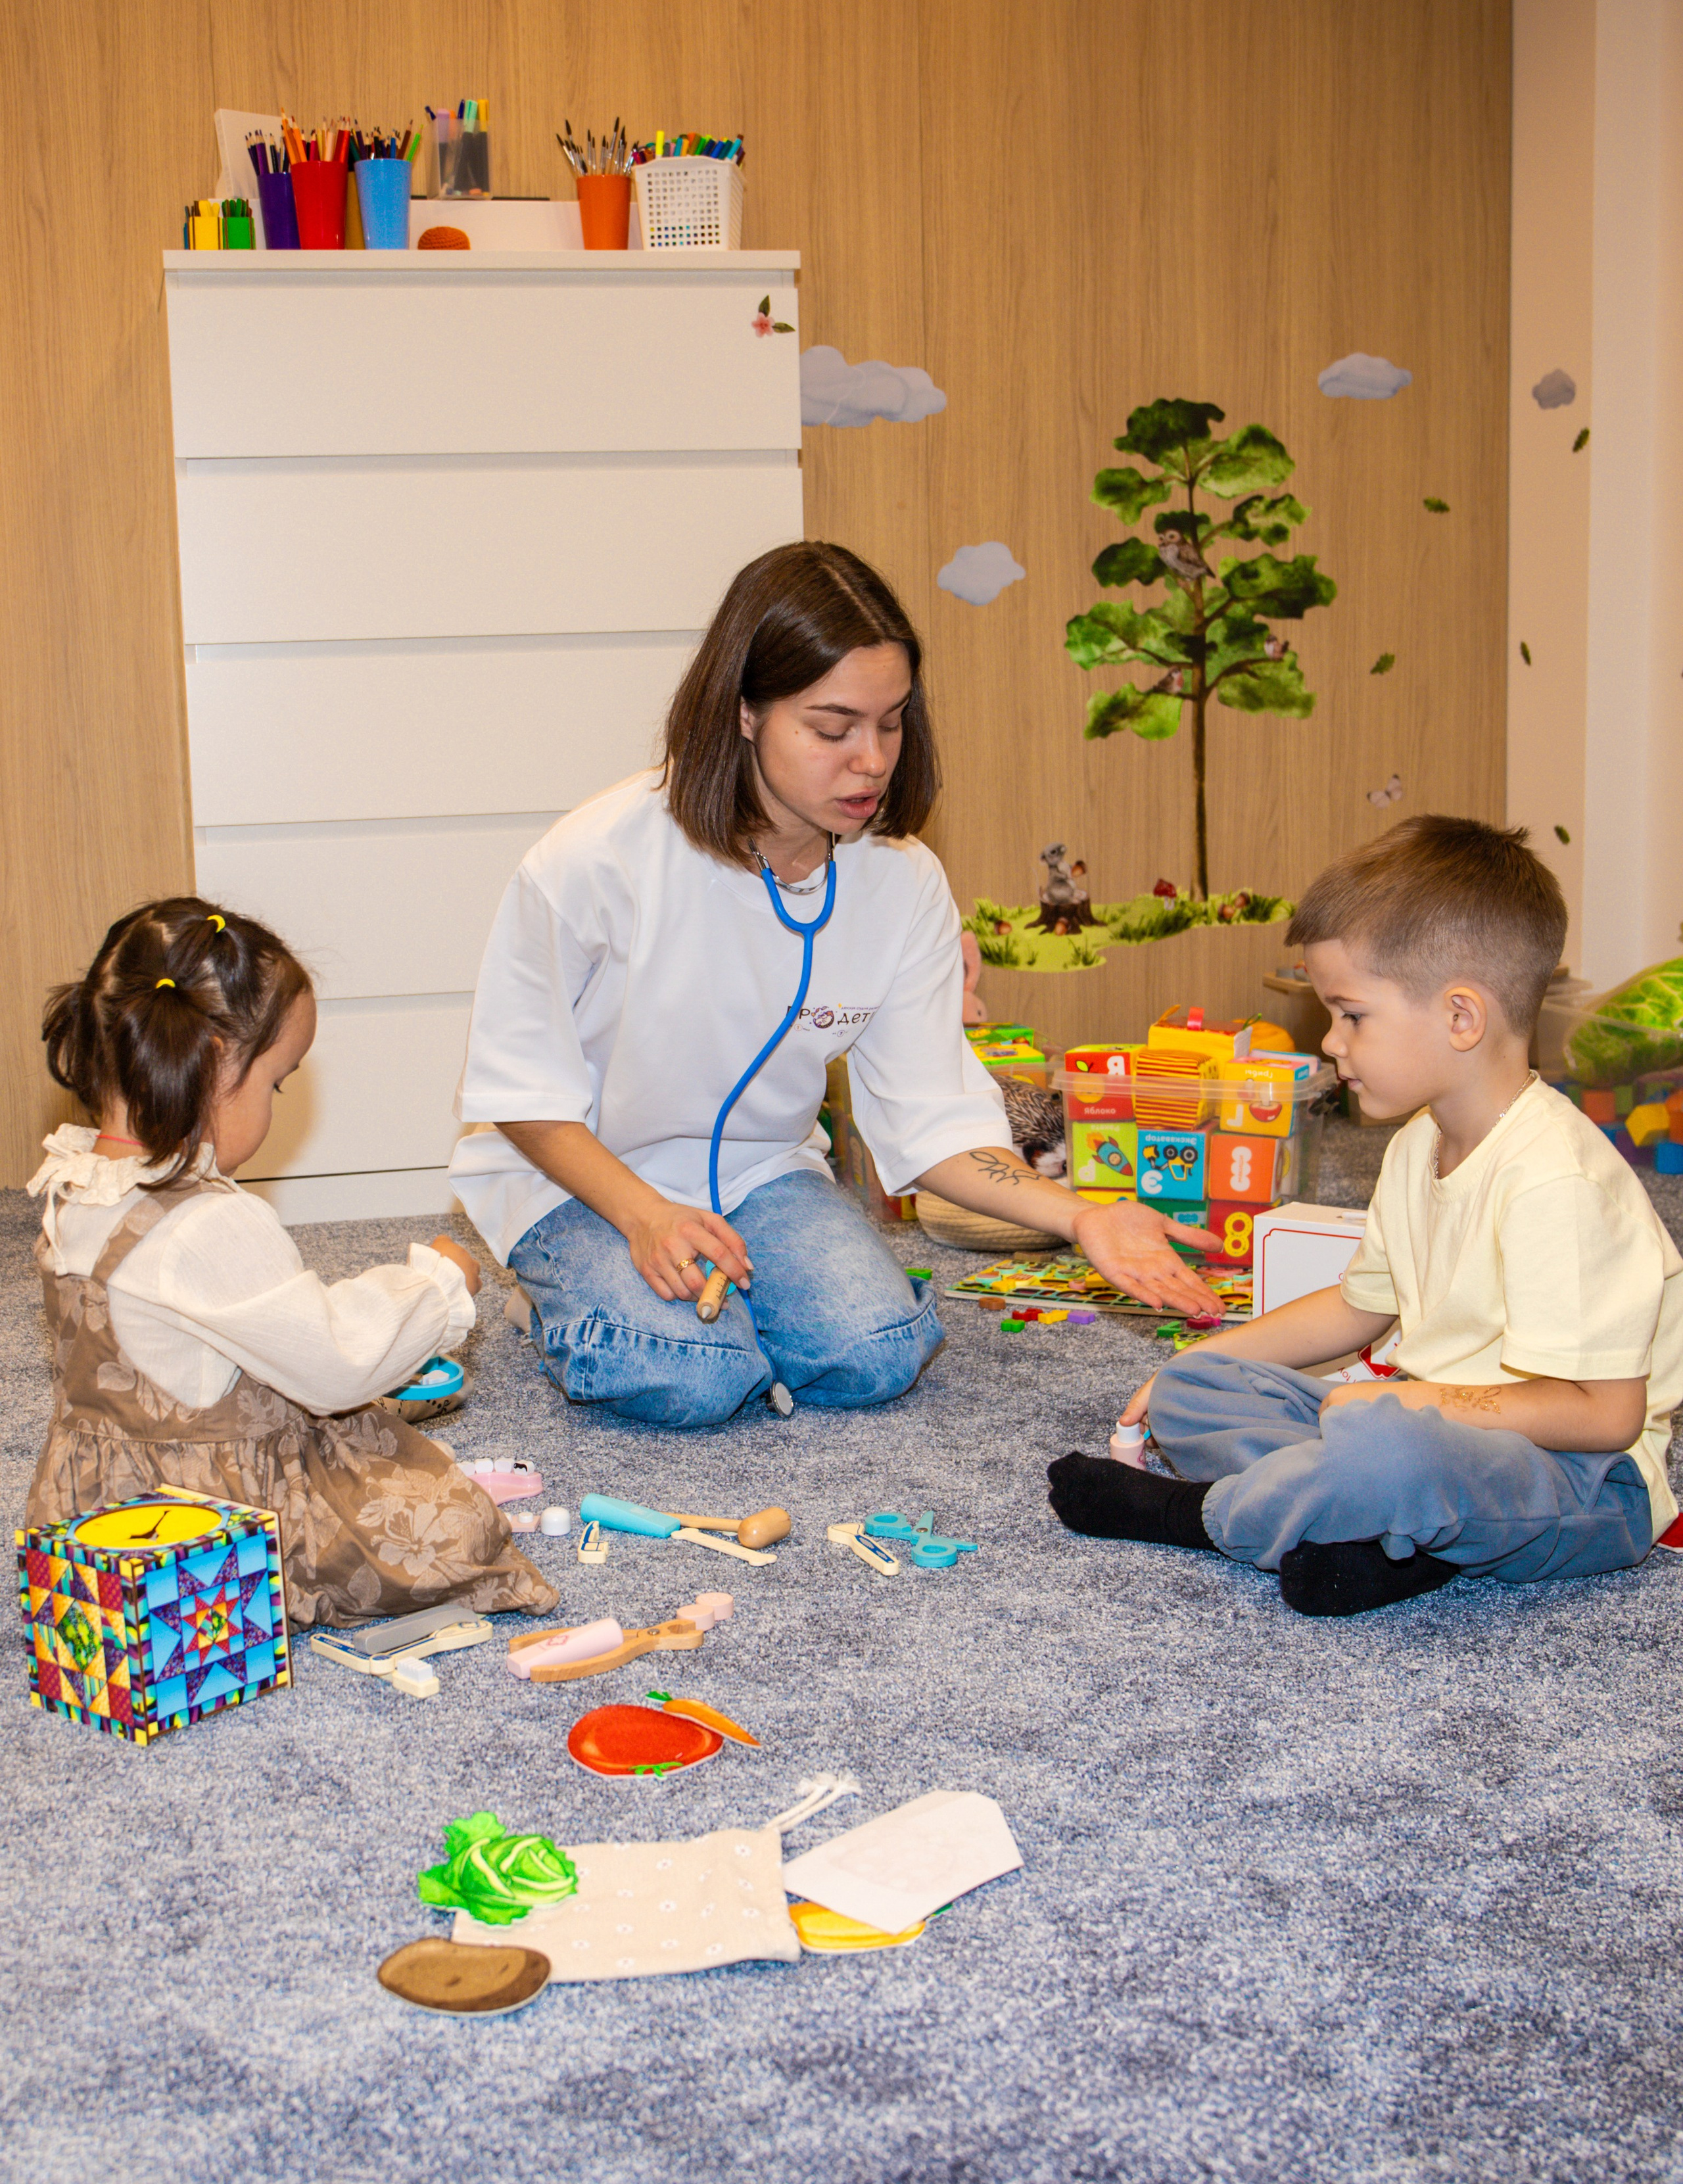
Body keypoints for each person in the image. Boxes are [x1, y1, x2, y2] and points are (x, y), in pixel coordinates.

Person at [450, 540, 1224, 1428]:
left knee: (878, 1350)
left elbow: (931, 1117)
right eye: (832, 728)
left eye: (891, 723)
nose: (872, 760)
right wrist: (645, 1216)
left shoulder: (902, 880)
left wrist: (1082, 1216)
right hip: (581, 1177)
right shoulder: (593, 859)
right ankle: (549, 1296)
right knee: (689, 1376)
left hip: (759, 1172)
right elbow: (521, 1091)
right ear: (744, 713)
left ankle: (700, 1310)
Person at [1049, 815, 1683, 1617]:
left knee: (1384, 1449)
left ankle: (1194, 1516)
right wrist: (1197, 1360)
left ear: (1461, 1017)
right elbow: (1360, 1304)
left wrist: (1420, 1405)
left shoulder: (1557, 1182)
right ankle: (1384, 1536)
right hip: (1429, 1435)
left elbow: (1604, 1413)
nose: (1330, 1044)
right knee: (1198, 1389)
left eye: (1350, 1014)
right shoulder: (1420, 1142)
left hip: (1579, 1479)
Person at [28, 898, 557, 1626]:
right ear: (214, 1060)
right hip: (217, 1522)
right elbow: (337, 1357)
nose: (279, 1102)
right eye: (276, 1080)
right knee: (452, 1526)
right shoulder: (210, 1222)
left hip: (98, 1509)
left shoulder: (72, 1188)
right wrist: (437, 1286)